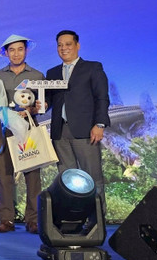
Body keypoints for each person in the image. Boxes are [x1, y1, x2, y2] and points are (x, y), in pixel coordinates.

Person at [45, 30, 110, 214]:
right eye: (60, 45)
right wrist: (41, 104)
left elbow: (102, 97)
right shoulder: (52, 72)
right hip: (59, 132)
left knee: (92, 176)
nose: (63, 48)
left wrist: (99, 124)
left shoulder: (92, 68)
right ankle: (72, 218)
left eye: (68, 44)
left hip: (86, 131)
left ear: (77, 46)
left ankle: (97, 218)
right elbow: (48, 100)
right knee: (66, 179)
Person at [0, 35, 45, 234]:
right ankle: (6, 220)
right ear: (6, 53)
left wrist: (34, 109)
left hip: (28, 127)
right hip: (3, 128)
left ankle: (33, 220)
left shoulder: (37, 76)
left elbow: (43, 105)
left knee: (32, 174)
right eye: (11, 50)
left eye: (20, 49)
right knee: (4, 174)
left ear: (26, 50)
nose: (16, 54)